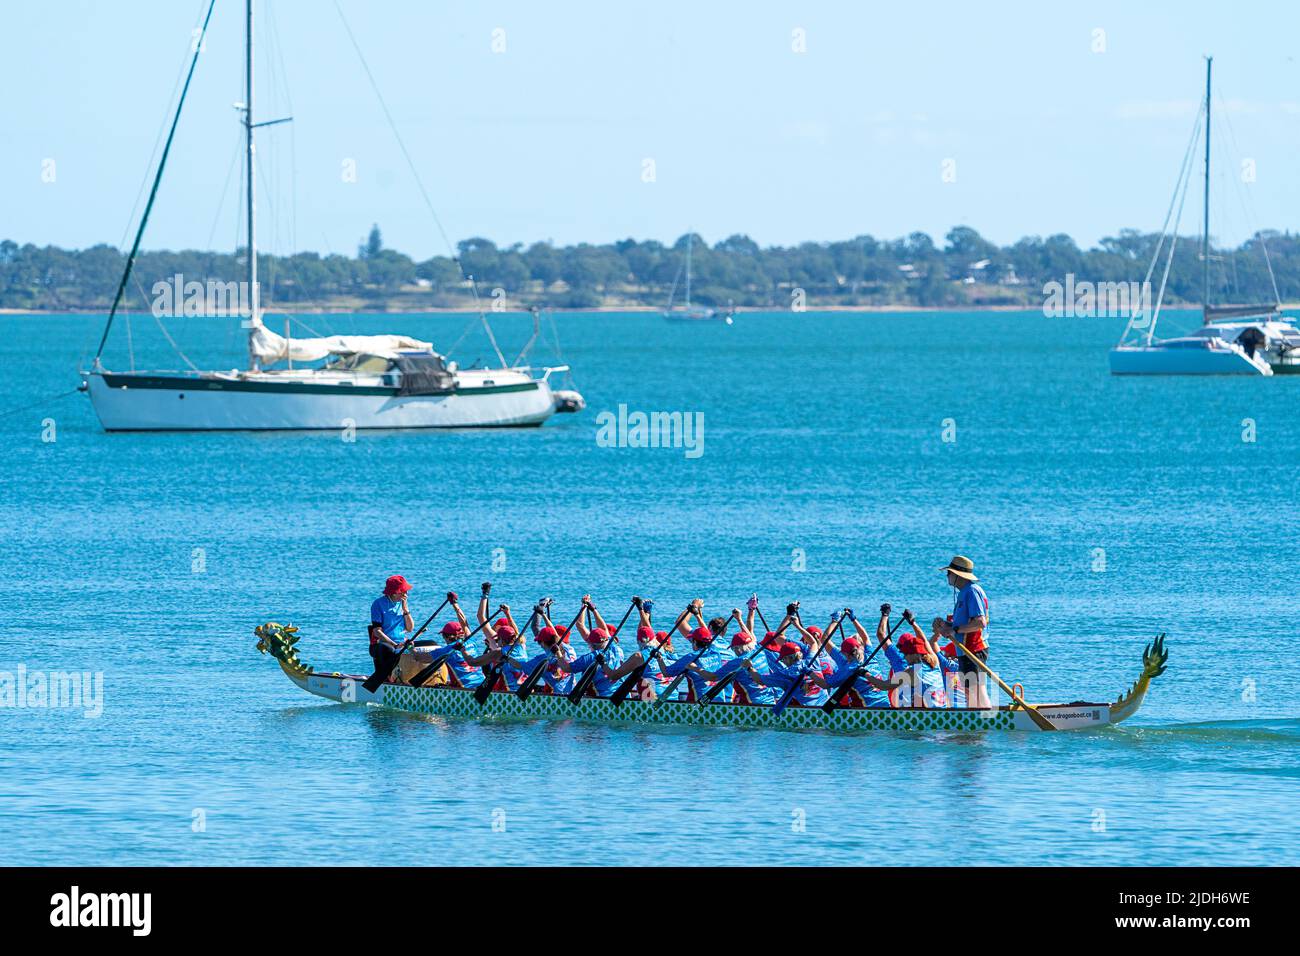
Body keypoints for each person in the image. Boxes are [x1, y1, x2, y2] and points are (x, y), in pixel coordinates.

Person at [934, 555, 991, 707]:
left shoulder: (971, 591)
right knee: (969, 690)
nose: (947, 576)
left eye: (949, 573)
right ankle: (975, 722)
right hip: (965, 650)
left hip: (974, 648)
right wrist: (946, 625)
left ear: (957, 575)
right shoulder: (964, 592)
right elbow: (962, 623)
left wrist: (954, 629)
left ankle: (987, 719)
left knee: (977, 689)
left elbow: (980, 622)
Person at [741, 639, 829, 707]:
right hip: (826, 705)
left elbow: (759, 680)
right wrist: (797, 625)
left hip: (806, 710)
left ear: (787, 658)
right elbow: (813, 643)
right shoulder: (812, 661)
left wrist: (749, 667)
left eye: (783, 659)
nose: (783, 662)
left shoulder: (785, 674)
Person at [368, 575, 415, 682]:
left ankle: (410, 679)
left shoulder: (403, 604)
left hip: (401, 643)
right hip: (381, 645)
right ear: (394, 592)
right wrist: (395, 644)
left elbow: (410, 628)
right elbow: (377, 631)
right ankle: (388, 678)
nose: (406, 594)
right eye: (403, 591)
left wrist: (405, 609)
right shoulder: (378, 604)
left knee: (429, 644)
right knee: (390, 650)